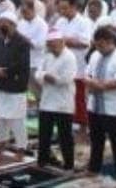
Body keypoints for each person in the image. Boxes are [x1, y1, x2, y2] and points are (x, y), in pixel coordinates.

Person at [85, 27, 116, 181]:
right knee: (96, 141)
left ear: (110, 42)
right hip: (95, 106)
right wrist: (92, 83)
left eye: (101, 45)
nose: (99, 48)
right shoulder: (94, 55)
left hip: (113, 109)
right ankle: (93, 169)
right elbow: (87, 75)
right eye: (96, 45)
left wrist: (100, 85)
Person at [0, 10, 30, 158]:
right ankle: (1, 142)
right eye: (0, 23)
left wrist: (6, 71)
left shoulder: (22, 42)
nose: (1, 26)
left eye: (4, 23)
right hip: (0, 84)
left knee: (16, 118)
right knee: (0, 117)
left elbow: (22, 64)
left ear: (12, 24)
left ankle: (21, 147)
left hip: (15, 85)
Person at [35, 29, 77, 170]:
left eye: (54, 45)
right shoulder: (47, 56)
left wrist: (49, 77)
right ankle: (42, 161)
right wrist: (46, 76)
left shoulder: (69, 57)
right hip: (47, 101)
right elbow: (38, 73)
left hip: (63, 103)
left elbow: (66, 79)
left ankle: (68, 164)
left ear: (61, 43)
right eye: (50, 45)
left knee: (64, 136)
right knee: (44, 134)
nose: (52, 48)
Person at [53, 0, 93, 133]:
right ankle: (68, 123)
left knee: (79, 98)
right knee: (64, 96)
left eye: (65, 8)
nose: (62, 12)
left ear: (74, 7)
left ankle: (83, 127)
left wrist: (64, 40)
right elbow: (54, 40)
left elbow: (84, 42)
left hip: (78, 65)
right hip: (61, 64)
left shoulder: (84, 22)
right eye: (61, 9)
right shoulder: (60, 22)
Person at [17, 0, 48, 100]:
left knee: (40, 90)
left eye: (26, 12)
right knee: (31, 90)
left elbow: (40, 44)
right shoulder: (21, 23)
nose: (24, 15)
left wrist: (23, 39)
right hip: (24, 62)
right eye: (22, 12)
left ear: (32, 10)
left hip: (37, 62)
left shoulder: (42, 24)